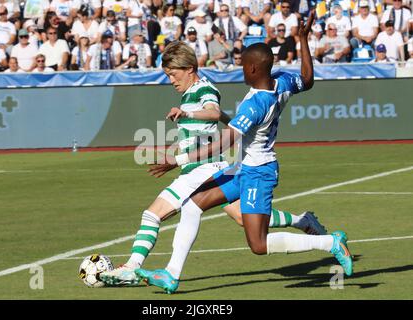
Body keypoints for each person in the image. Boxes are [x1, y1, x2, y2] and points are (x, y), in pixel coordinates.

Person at [131, 11, 353, 294]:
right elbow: (308, 79)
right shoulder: (281, 82)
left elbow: (223, 143)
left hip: (257, 172)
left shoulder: (255, 104)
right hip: (243, 168)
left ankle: (330, 242)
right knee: (193, 204)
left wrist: (178, 159)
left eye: (244, 65)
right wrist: (303, 40)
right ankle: (171, 274)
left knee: (258, 244)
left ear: (253, 70)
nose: (241, 70)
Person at [100, 39, 328, 287]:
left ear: (189, 69)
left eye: (173, 75)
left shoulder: (203, 88)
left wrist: (188, 117)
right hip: (211, 165)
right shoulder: (190, 94)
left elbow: (213, 111)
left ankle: (133, 268)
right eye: (167, 76)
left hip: (204, 167)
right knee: (244, 217)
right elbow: (212, 125)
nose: (171, 80)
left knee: (152, 214)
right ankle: (302, 220)